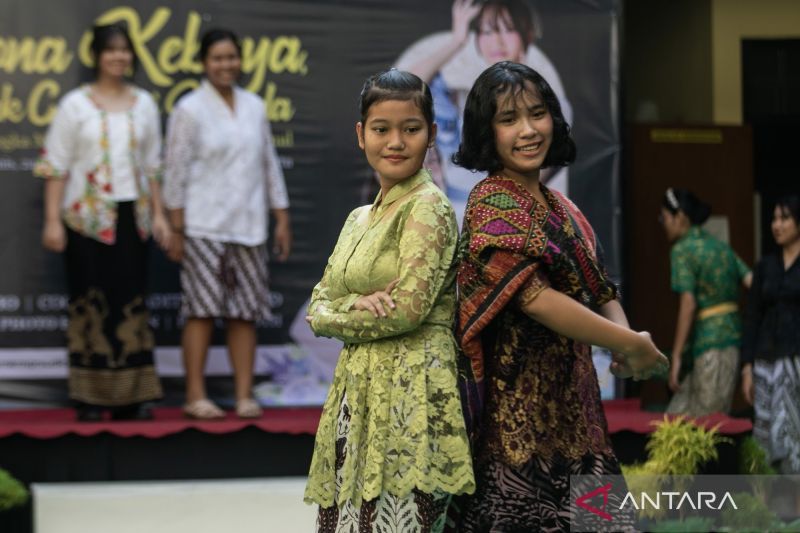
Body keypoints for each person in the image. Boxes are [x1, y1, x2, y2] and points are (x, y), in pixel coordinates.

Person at [452, 61, 667, 532]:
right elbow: (535, 298)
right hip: (517, 422)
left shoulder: (562, 207)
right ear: (487, 133)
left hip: (577, 410)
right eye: (508, 120)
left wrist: (626, 341)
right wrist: (630, 343)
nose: (528, 131)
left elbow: (600, 286)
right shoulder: (490, 201)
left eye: (537, 113)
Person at [304, 69, 474, 533]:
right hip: (358, 391)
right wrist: (349, 306)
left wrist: (335, 311)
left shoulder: (429, 206)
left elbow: (405, 310)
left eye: (411, 129)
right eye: (381, 129)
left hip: (412, 390)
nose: (395, 142)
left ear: (432, 135)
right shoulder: (359, 217)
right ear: (362, 135)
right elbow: (317, 303)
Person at [34, 23, 170, 421]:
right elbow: (55, 166)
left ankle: (134, 395)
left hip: (134, 217)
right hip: (85, 219)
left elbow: (154, 166)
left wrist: (160, 216)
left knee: (130, 302)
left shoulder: (144, 103)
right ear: (96, 56)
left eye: (125, 50)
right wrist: (52, 221)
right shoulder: (74, 105)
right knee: (90, 303)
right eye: (111, 50)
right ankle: (90, 397)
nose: (119, 57)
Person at [163, 28, 291, 420]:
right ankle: (196, 396)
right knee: (201, 311)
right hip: (203, 225)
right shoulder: (189, 108)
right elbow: (175, 172)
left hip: (250, 224)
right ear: (204, 63)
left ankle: (243, 396)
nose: (226, 65)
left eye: (232, 57)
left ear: (241, 61)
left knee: (244, 313)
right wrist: (177, 227)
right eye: (217, 58)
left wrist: (280, 217)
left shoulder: (254, 105)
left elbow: (269, 164)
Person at [396, 0, 572, 222]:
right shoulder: (465, 99)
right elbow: (401, 89)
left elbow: (529, 186)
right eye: (486, 31)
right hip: (447, 221)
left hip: (506, 222)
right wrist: (457, 39)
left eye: (508, 29)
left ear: (527, 32)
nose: (497, 41)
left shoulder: (552, 108)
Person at [659, 188, 752, 416]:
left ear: (679, 217)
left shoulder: (681, 250)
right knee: (680, 417)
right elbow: (753, 282)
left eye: (665, 217)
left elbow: (688, 303)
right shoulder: (721, 247)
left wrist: (677, 355)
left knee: (708, 425)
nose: (663, 223)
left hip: (712, 344)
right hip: (727, 341)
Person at [742, 195, 800, 474]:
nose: (777, 225)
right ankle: (764, 511)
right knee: (764, 434)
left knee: (795, 432)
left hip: (796, 362)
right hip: (765, 360)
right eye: (774, 218)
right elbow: (752, 318)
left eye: (784, 218)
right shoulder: (765, 266)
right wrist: (746, 367)